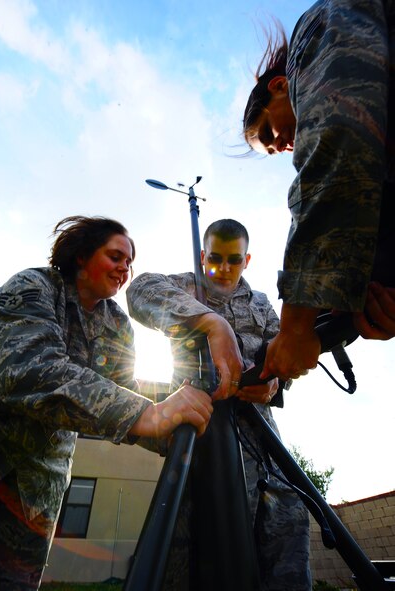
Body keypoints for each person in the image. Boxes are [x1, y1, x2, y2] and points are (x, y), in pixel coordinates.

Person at [0, 215, 213, 591]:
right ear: (82, 255)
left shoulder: (116, 324)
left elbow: (123, 395)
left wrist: (179, 432)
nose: (124, 269)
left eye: (129, 263)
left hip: (33, 489)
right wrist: (148, 414)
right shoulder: (33, 288)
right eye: (115, 256)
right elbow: (29, 372)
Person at [127, 218, 311, 591]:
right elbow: (140, 290)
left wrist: (275, 383)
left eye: (233, 259)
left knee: (288, 528)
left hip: (263, 441)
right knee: (194, 546)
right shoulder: (185, 286)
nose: (223, 268)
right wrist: (211, 322)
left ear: (247, 260)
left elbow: (284, 353)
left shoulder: (260, 303)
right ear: (202, 255)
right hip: (201, 436)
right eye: (215, 259)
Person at [242, 0, 395, 381]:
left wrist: (296, 325)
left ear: (279, 86)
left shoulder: (315, 30)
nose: (281, 148)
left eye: (268, 135)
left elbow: (340, 138)